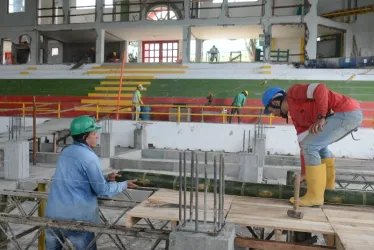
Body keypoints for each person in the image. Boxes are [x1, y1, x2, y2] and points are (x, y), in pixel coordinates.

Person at [45, 115, 138, 249]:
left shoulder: (66, 152)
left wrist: (106, 177)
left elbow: (77, 178)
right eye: (94, 133)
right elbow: (102, 190)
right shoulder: (89, 156)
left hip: (53, 214)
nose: (97, 137)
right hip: (77, 218)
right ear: (84, 137)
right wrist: (124, 184)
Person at [262, 83, 362, 207]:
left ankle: (315, 196)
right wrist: (305, 173)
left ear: (275, 103)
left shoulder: (293, 92)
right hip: (347, 113)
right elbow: (303, 144)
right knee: (316, 146)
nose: (273, 115)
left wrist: (321, 117)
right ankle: (327, 190)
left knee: (311, 146)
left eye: (271, 111)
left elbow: (320, 88)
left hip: (346, 112)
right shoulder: (296, 117)